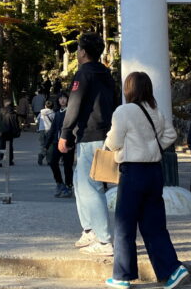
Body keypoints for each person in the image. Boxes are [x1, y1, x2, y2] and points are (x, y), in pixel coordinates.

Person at [103, 71, 189, 289]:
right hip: (154, 171)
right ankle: (172, 269)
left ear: (129, 88)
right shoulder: (155, 111)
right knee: (154, 225)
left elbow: (113, 142)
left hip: (133, 172)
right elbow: (171, 135)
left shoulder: (124, 111)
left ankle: (122, 276)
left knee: (125, 225)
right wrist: (154, 145)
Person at [58, 32, 117, 256]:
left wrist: (65, 133)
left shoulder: (83, 73)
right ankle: (89, 230)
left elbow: (74, 104)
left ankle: (103, 240)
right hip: (105, 134)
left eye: (78, 49)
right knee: (81, 183)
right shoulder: (106, 74)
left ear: (82, 52)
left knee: (91, 186)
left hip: (90, 135)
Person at [47, 93, 74, 198]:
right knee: (52, 162)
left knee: (68, 166)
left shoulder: (71, 112)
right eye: (60, 98)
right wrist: (47, 144)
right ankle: (59, 183)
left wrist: (72, 143)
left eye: (64, 98)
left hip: (68, 144)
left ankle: (68, 186)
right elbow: (53, 129)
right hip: (57, 143)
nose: (62, 100)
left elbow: (74, 128)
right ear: (58, 101)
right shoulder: (57, 113)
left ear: (68, 100)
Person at [0, 98, 21, 166]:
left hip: (3, 131)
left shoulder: (1, 111)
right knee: (10, 146)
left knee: (1, 146)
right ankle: (10, 160)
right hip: (10, 132)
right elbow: (17, 123)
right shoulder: (14, 113)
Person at [36, 99, 55, 165]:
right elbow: (55, 122)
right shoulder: (53, 113)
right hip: (49, 130)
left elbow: (37, 121)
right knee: (50, 145)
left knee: (43, 144)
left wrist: (38, 127)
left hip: (41, 130)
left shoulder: (40, 113)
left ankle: (41, 154)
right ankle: (49, 160)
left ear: (45, 106)